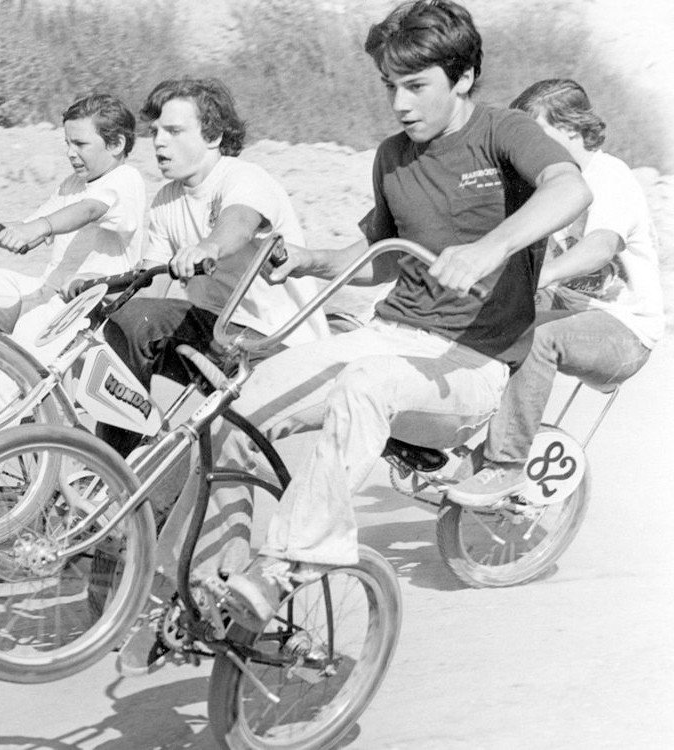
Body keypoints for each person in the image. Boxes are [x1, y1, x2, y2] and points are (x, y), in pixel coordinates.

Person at [209, 0, 593, 630]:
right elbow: (379, 256)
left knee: (366, 385)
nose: (400, 104)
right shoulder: (392, 155)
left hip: (470, 365)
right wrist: (312, 260)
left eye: (416, 86)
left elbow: (570, 186)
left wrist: (491, 247)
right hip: (387, 335)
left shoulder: (504, 132)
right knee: (236, 413)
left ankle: (288, 566)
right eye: (391, 86)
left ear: (463, 77)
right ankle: (220, 575)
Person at [101, 77, 332, 676]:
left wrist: (206, 249)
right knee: (124, 325)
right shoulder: (163, 201)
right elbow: (148, 289)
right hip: (216, 337)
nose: (158, 142)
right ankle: (114, 481)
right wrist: (100, 294)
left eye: (174, 130)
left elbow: (233, 228)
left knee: (218, 463)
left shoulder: (241, 178)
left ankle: (196, 576)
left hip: (275, 346)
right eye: (154, 131)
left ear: (217, 134)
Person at [447, 78, 664, 505]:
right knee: (479, 323)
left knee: (537, 339)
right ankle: (447, 437)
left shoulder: (610, 176)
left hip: (625, 332)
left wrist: (539, 277)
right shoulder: (547, 183)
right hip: (570, 313)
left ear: (572, 128)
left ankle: (506, 466)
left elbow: (599, 248)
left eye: (535, 134)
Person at [0, 93, 146, 339]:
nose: (70, 153)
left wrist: (40, 226)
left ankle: (9, 373)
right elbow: (26, 233)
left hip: (84, 305)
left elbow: (88, 210)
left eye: (80, 144)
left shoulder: (125, 178)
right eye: (67, 143)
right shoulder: (73, 184)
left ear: (116, 144)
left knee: (21, 352)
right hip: (46, 291)